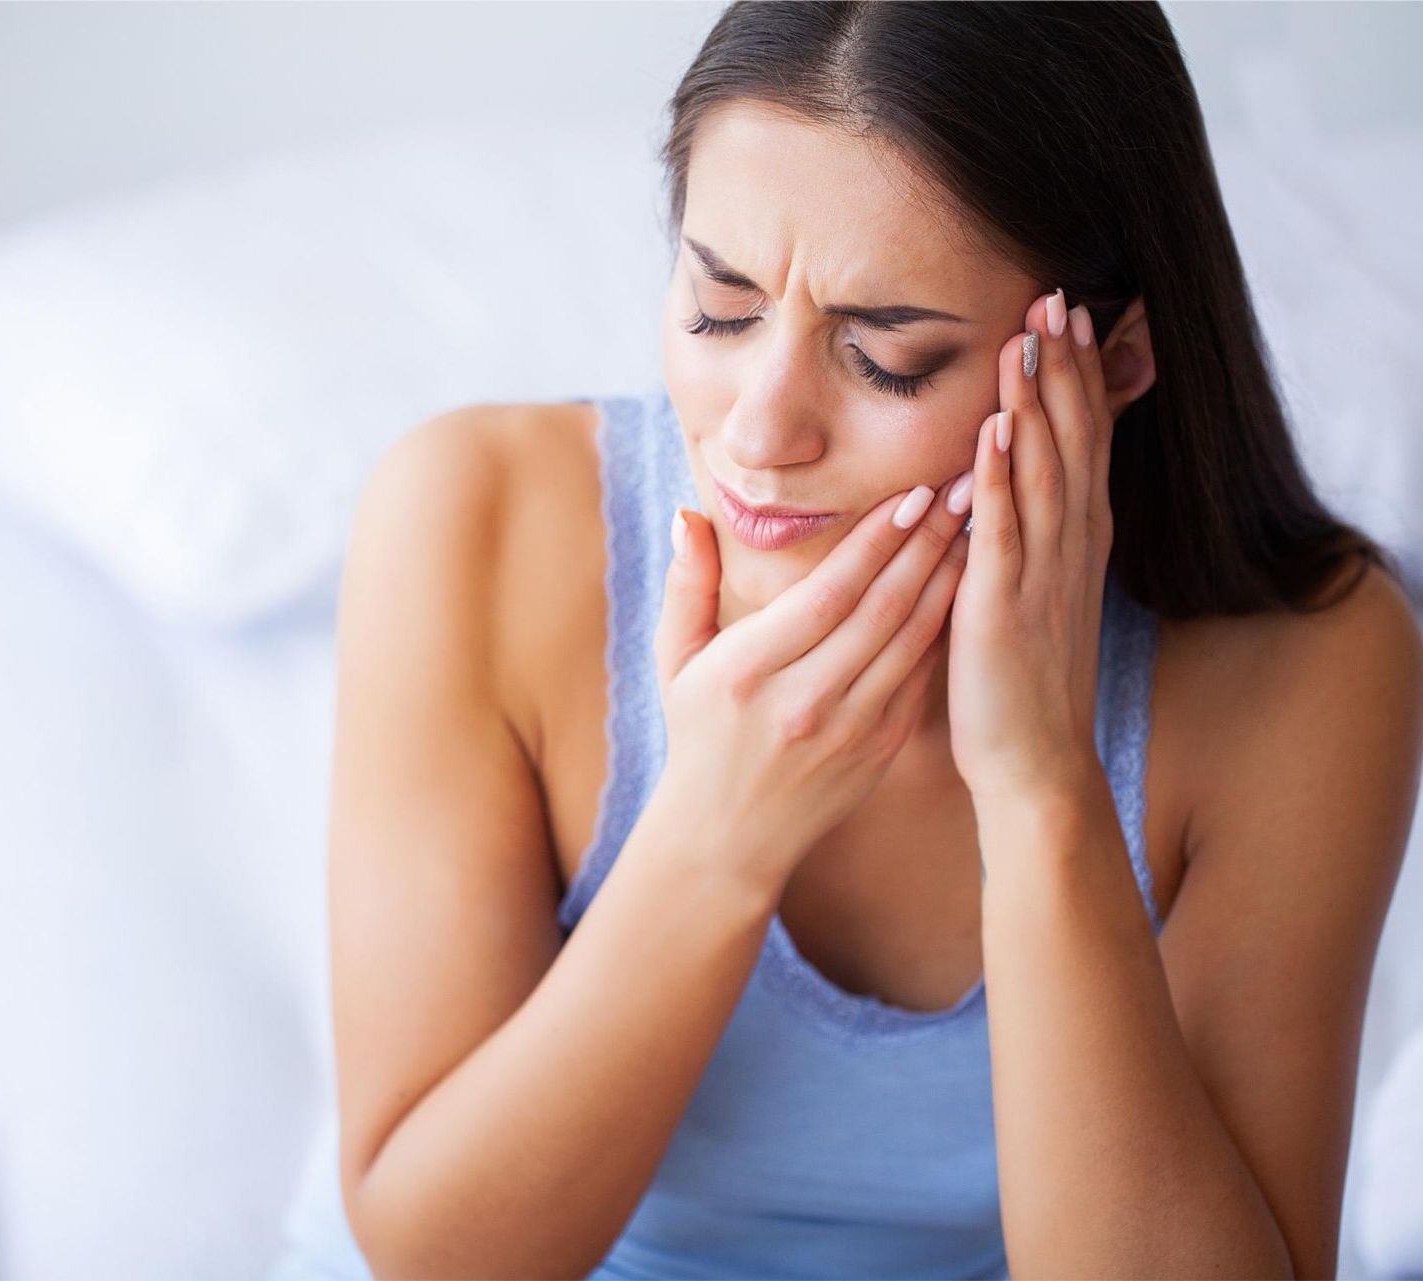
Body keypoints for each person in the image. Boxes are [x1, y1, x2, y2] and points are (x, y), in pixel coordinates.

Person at [304, 2, 1423, 1276]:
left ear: (1109, 362)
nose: (762, 430)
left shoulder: (1309, 662)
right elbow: (439, 1255)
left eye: (887, 357)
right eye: (720, 309)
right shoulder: (472, 516)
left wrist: (1043, 788)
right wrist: (718, 836)